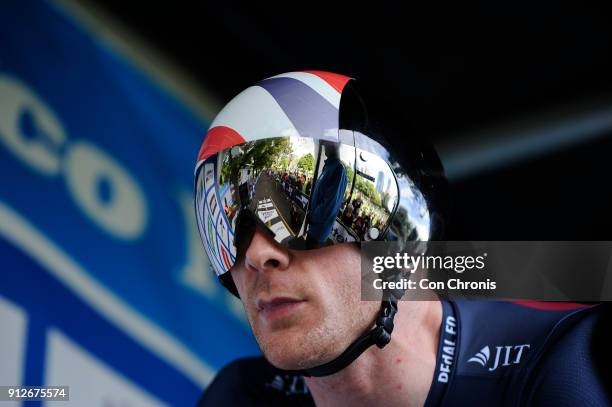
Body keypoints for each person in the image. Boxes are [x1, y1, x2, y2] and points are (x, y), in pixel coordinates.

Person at [193, 71, 610, 406]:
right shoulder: (242, 395)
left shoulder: (560, 366)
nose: (257, 254)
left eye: (297, 213)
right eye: (229, 224)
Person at [306, 141, 347, 248]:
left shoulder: (338, 169)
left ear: (335, 145)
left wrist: (312, 216)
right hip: (313, 227)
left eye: (327, 143)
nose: (324, 146)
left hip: (318, 232)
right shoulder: (328, 167)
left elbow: (329, 206)